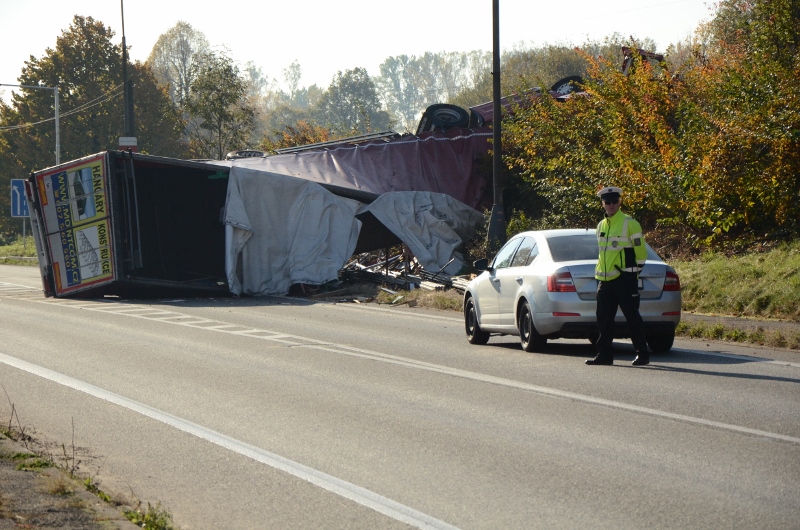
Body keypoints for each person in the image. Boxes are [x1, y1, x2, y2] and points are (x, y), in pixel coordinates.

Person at [586, 186, 650, 366]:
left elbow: (641, 252)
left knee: (632, 318)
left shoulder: (630, 223)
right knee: (603, 320)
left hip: (624, 279)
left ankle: (642, 353)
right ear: (603, 204)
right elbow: (603, 253)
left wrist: (634, 272)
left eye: (615, 201)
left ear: (619, 202)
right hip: (605, 280)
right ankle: (605, 355)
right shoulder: (601, 225)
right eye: (608, 202)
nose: (611, 205)